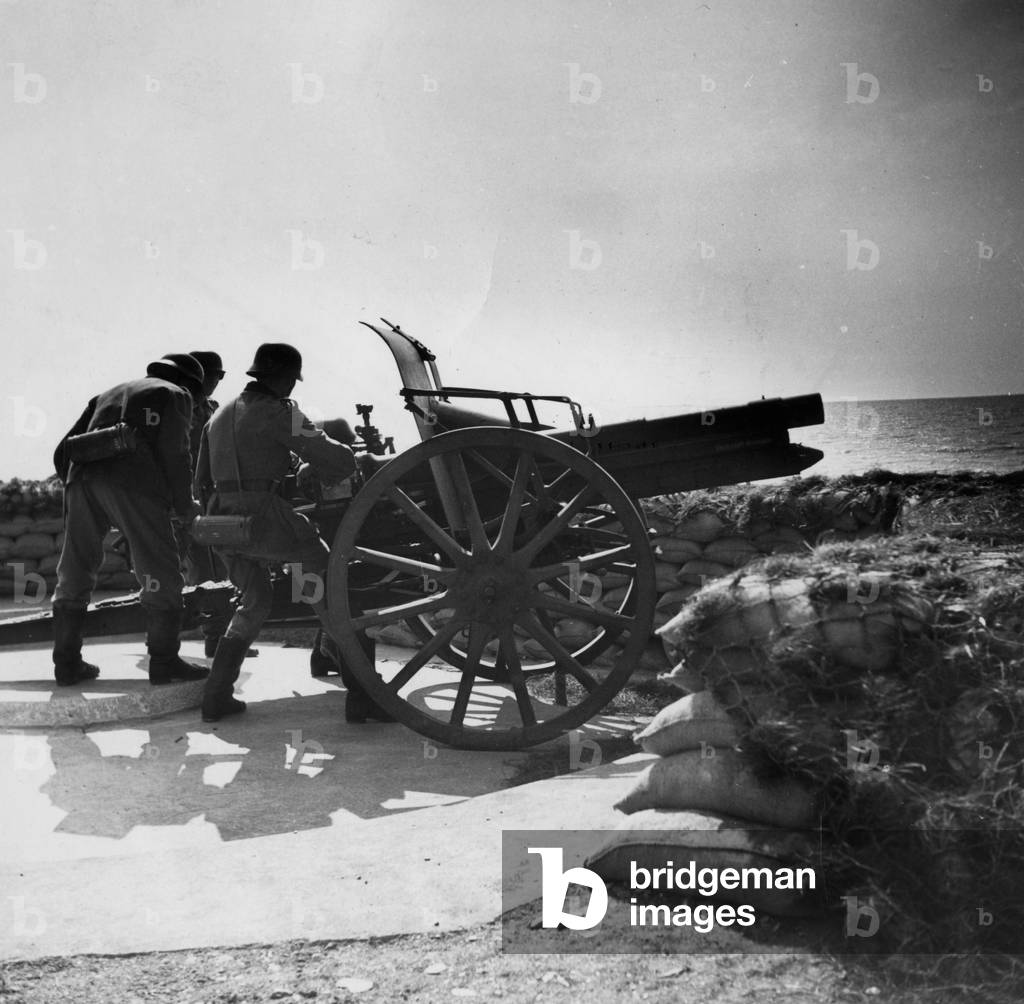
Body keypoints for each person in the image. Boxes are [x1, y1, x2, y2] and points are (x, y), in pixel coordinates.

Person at [195, 342, 366, 722]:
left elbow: (200, 482)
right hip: (266, 519)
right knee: (325, 578)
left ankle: (216, 695)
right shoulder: (280, 412)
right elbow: (336, 458)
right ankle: (361, 695)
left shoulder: (218, 416)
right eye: (291, 380)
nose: (292, 387)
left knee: (253, 601)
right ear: (283, 379)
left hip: (221, 523)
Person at [51, 354, 211, 687]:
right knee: (159, 569)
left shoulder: (105, 395)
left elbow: (62, 450)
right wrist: (184, 507)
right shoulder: (175, 394)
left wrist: (78, 484)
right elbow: (176, 454)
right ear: (192, 386)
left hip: (80, 480)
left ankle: (67, 663)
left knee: (75, 567)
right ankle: (164, 662)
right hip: (133, 482)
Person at [181, 350, 246, 657]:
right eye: (214, 376)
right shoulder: (181, 407)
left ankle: (226, 636)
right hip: (187, 499)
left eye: (219, 377)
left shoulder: (214, 410)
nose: (215, 383)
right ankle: (214, 637)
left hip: (213, 497)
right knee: (201, 568)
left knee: (224, 566)